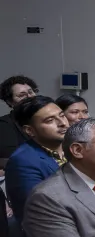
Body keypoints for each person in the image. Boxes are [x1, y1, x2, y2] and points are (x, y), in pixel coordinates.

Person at [5, 95, 69, 223]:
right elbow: (39, 211)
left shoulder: (74, 148)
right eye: (50, 120)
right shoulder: (23, 161)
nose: (62, 123)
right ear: (30, 130)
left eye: (62, 115)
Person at [0, 75, 39, 158]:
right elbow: (11, 156)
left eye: (31, 92)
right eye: (22, 95)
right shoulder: (4, 124)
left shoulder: (43, 117)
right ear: (10, 102)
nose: (29, 97)